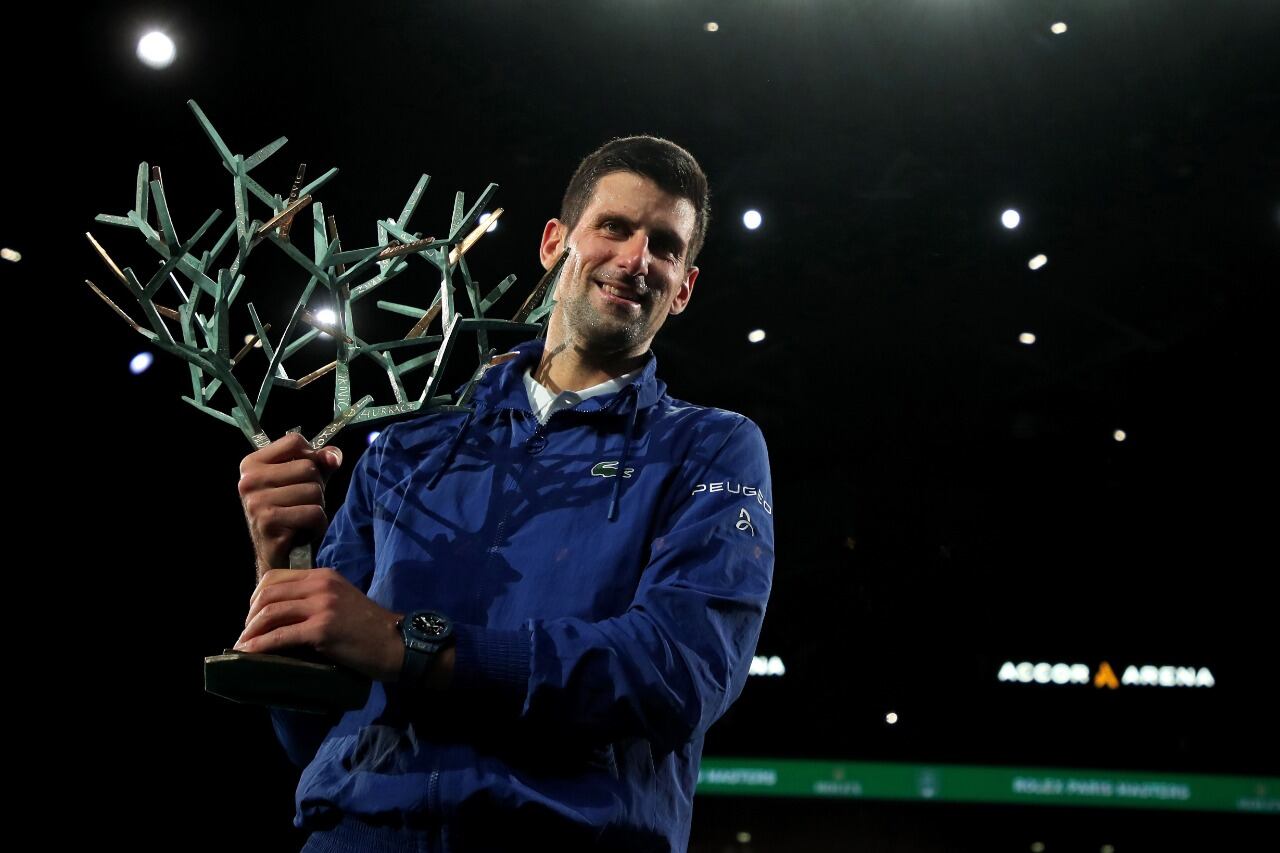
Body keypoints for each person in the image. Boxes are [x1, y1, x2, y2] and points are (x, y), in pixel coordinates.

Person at [235, 136, 775, 853]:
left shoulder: (711, 446)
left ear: (683, 287)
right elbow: (309, 730)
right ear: (555, 244)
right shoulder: (408, 441)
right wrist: (284, 567)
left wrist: (409, 645)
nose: (635, 257)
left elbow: (676, 673)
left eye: (665, 246)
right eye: (613, 227)